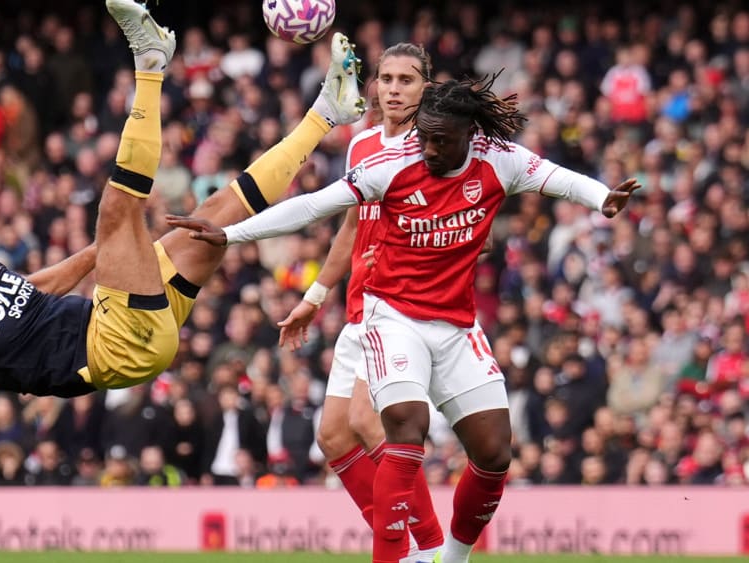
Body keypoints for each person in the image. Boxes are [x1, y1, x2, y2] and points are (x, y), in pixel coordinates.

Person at [0, 2, 367, 562]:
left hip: (124, 319)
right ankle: (151, 64)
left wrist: (101, 251)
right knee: (116, 205)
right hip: (113, 347)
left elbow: (39, 288)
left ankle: (328, 112)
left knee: (217, 213)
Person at [167, 73, 641, 563]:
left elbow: (560, 179)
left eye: (441, 141)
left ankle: (449, 559)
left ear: (469, 135)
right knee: (404, 422)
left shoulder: (500, 160)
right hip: (392, 316)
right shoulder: (391, 165)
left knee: (495, 453)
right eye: (424, 137)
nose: (429, 149)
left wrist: (601, 198)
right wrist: (232, 235)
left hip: (456, 326)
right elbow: (313, 206)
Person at [276, 43, 443, 563]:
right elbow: (351, 225)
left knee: (370, 421)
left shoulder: (435, 148)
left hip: (401, 307)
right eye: (385, 79)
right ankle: (407, 545)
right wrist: (315, 295)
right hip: (358, 303)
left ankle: (429, 547)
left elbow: (461, 223)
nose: (393, 89)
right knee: (332, 436)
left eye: (406, 80)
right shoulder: (362, 145)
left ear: (426, 88)